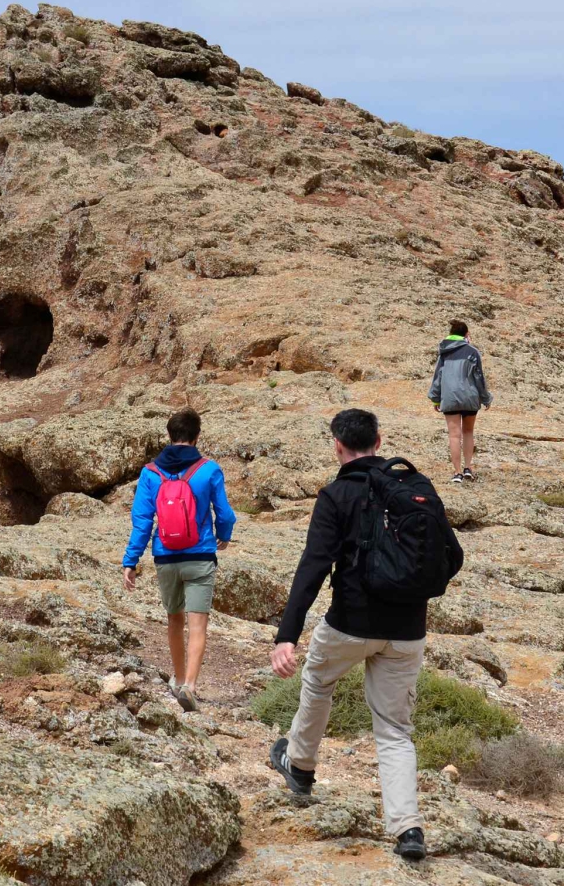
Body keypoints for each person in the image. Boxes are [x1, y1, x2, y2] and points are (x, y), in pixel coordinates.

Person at [267, 408, 465, 862]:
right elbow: (451, 557)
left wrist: (287, 636)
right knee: (395, 730)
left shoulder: (337, 495)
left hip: (350, 623)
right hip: (407, 629)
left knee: (318, 682)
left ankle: (299, 766)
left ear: (337, 446)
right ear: (380, 440)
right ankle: (408, 829)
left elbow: (313, 567)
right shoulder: (414, 488)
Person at [123, 409, 236, 713]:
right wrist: (223, 534)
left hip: (166, 557)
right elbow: (224, 513)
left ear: (169, 435)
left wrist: (130, 560)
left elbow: (143, 521)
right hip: (200, 556)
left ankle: (177, 678)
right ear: (197, 435)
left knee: (175, 619)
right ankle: (190, 686)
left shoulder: (150, 473)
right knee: (198, 623)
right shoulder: (209, 469)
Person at [427, 319, 491, 484]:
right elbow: (479, 378)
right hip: (470, 398)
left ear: (451, 334)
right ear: (466, 334)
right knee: (468, 432)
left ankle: (457, 473)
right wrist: (485, 398)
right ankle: (468, 468)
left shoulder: (444, 352)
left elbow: (438, 376)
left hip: (450, 398)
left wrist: (435, 398)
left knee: (454, 436)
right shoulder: (472, 352)